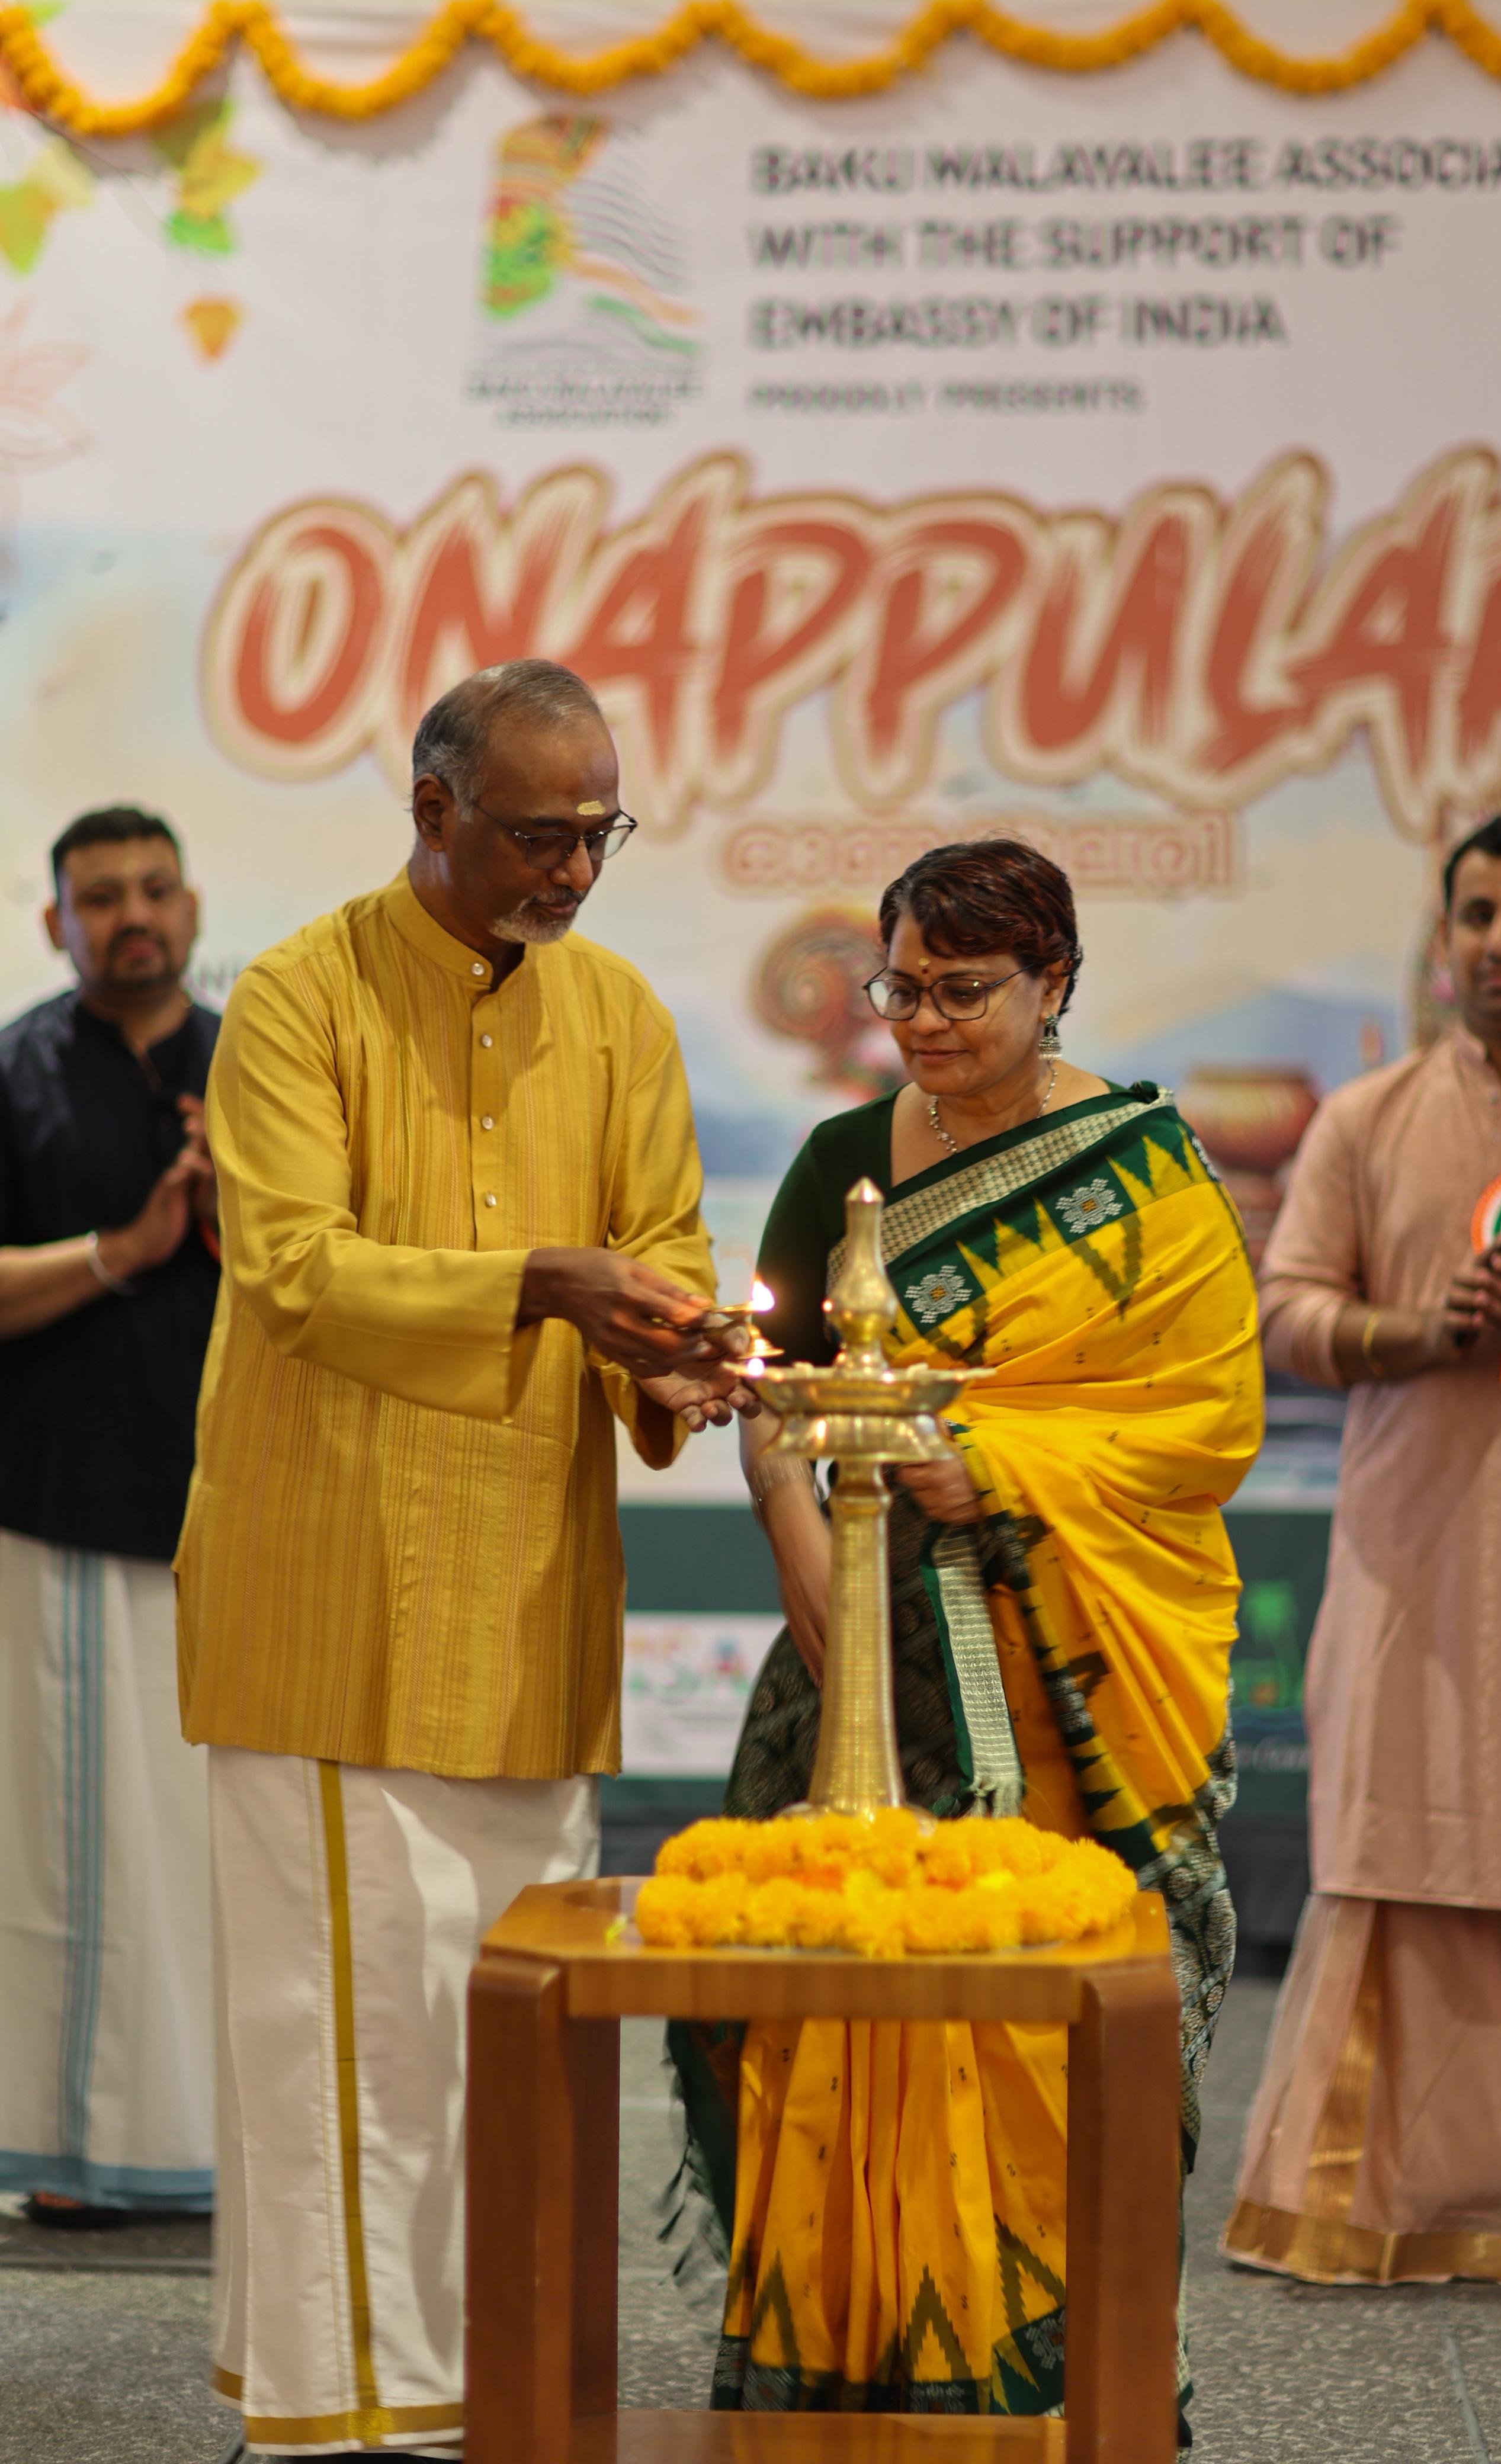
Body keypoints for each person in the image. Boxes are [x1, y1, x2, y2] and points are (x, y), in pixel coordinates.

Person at [177, 660, 755, 2460]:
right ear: (431, 812)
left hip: (526, 1592)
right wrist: (545, 1284)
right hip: (328, 1589)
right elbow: (291, 1269)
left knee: (505, 2027)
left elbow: (663, 1240)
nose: (573, 871)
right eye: (537, 835)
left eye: (599, 834)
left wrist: (668, 1353)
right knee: (344, 2040)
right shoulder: (299, 997)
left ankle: (479, 2394)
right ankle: (348, 2419)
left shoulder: (622, 1013)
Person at [668, 838, 1262, 2446]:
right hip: (863, 1653)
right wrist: (801, 1546)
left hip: (1069, 1662)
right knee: (823, 1990)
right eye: (900, 989)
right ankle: (847, 2367)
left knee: (1047, 2017)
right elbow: (773, 1394)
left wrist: (992, 1463)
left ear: (1052, 981)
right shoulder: (838, 1162)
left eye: (962, 992)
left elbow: (1206, 1423)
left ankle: (1057, 2391)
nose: (922, 1022)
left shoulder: (1144, 1171)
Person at [1225, 813, 1501, 2291]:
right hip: (1418, 1561)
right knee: (1405, 1842)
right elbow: (1284, 1311)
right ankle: (1384, 2191)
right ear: (1445, 939)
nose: (1500, 942)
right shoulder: (1366, 1117)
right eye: (1475, 915)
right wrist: (1420, 1330)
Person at [0, 806, 218, 2228]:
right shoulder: (15, 1072)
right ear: (55, 923)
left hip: (239, 1518)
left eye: (152, 890)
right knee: (73, 1851)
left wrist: (241, 1211)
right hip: (60, 1515)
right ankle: (76, 2148)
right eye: (100, 898)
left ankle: (219, 2143)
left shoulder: (260, 1066)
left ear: (189, 907)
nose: (131, 915)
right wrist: (124, 1251)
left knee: (214, 1848)